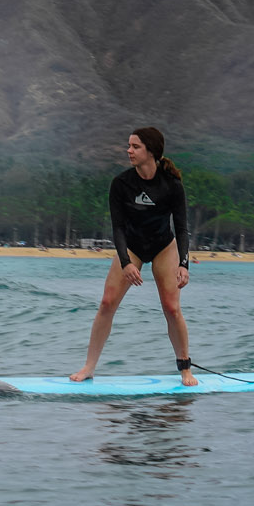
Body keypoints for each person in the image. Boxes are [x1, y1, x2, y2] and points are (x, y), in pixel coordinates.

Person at [71, 127, 197, 387]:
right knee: (107, 303)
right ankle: (89, 367)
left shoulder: (172, 185)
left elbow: (182, 228)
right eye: (129, 145)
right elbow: (117, 227)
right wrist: (126, 262)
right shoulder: (121, 183)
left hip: (164, 246)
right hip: (132, 246)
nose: (128, 150)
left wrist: (184, 264)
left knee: (172, 309)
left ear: (151, 151)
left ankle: (185, 369)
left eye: (135, 146)